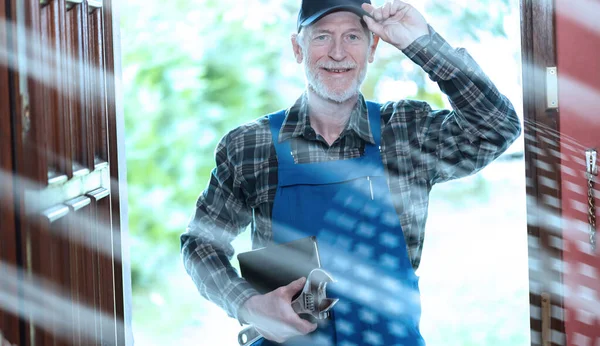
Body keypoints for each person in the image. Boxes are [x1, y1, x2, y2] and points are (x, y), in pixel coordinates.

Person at [181, 0, 521, 345]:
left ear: (372, 47)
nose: (338, 53)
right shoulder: (250, 147)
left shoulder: (405, 133)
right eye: (322, 37)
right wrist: (248, 305)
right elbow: (200, 244)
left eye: (353, 37)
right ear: (298, 48)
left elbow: (497, 127)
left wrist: (423, 44)